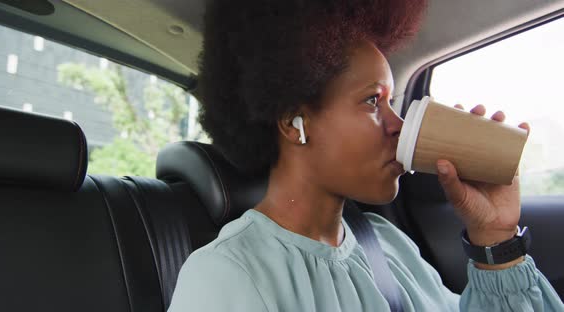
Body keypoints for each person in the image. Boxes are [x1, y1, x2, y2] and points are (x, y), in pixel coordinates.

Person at [169, 0, 564, 311]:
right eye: (373, 101)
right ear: (294, 123)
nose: (399, 125)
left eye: (392, 101)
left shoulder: (387, 243)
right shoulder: (225, 276)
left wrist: (494, 238)